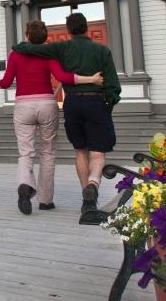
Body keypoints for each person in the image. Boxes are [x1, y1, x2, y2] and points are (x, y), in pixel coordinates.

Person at [0, 20, 103, 215]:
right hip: (46, 104)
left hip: (23, 106)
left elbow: (5, 83)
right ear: (45, 36)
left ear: (27, 35)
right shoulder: (49, 53)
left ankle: (24, 184)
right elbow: (62, 77)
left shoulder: (15, 54)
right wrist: (91, 79)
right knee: (47, 153)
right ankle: (46, 200)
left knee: (26, 152)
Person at [13, 12, 120, 213]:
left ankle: (85, 196)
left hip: (71, 103)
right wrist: (108, 105)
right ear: (86, 27)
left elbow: (30, 47)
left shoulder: (61, 48)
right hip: (96, 103)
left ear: (68, 30)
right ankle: (93, 185)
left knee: (81, 151)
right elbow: (114, 87)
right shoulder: (102, 51)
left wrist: (17, 47)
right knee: (97, 154)